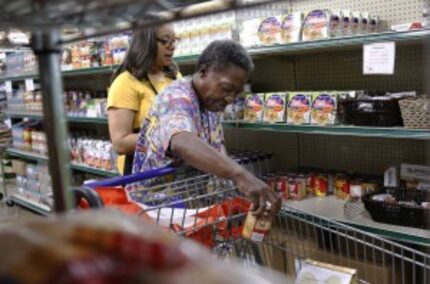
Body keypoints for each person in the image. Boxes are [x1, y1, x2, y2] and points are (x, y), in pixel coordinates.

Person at [132, 40, 281, 218]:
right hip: (156, 213)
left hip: (189, 209)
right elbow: (182, 142)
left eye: (237, 93)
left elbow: (218, 149)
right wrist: (240, 175)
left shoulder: (211, 103)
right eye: (227, 88)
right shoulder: (176, 98)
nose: (231, 99)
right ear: (203, 72)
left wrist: (236, 195)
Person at [107, 19, 181, 175]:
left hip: (174, 172)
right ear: (146, 43)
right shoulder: (125, 83)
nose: (172, 46)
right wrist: (169, 138)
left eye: (174, 40)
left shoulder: (175, 76)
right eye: (165, 41)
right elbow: (120, 143)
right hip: (141, 177)